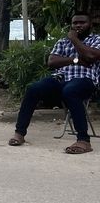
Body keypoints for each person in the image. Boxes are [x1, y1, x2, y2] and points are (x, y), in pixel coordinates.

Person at [8, 12, 100, 153]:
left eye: (82, 22)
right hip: (60, 79)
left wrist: (74, 40)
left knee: (71, 91)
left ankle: (83, 140)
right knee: (33, 89)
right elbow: (51, 62)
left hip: (85, 80)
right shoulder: (63, 42)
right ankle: (19, 133)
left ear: (90, 25)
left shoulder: (96, 40)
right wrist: (75, 60)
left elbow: (91, 55)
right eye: (75, 23)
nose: (78, 25)